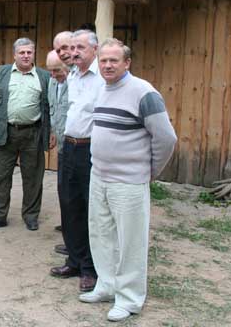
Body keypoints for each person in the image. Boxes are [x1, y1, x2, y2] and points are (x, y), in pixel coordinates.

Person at [80, 38, 176, 322]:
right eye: (104, 60)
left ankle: (130, 299)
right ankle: (107, 285)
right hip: (99, 176)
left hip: (129, 182)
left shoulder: (144, 92)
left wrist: (149, 171)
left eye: (114, 60)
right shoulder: (102, 89)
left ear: (127, 63)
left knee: (130, 242)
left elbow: (166, 139)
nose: (108, 65)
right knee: (101, 235)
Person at [50, 29, 104, 293]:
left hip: (91, 150)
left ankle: (90, 269)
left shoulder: (102, 77)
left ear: (95, 49)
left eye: (80, 47)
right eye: (71, 48)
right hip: (69, 147)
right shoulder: (72, 75)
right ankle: (74, 260)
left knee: (89, 209)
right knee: (69, 205)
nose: (74, 52)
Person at [0, 38, 50, 231]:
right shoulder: (3, 73)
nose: (26, 56)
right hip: (6, 131)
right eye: (22, 52)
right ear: (14, 55)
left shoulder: (43, 76)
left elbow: (50, 107)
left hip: (33, 133)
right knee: (1, 176)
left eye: (29, 52)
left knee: (33, 177)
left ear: (34, 54)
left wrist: (51, 132)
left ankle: (31, 216)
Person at [46, 50, 70, 254]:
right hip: (62, 144)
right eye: (50, 71)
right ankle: (69, 226)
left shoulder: (77, 83)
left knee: (74, 191)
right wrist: (53, 131)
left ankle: (76, 235)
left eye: (57, 70)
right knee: (63, 188)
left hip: (77, 144)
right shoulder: (53, 82)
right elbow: (53, 110)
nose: (53, 75)